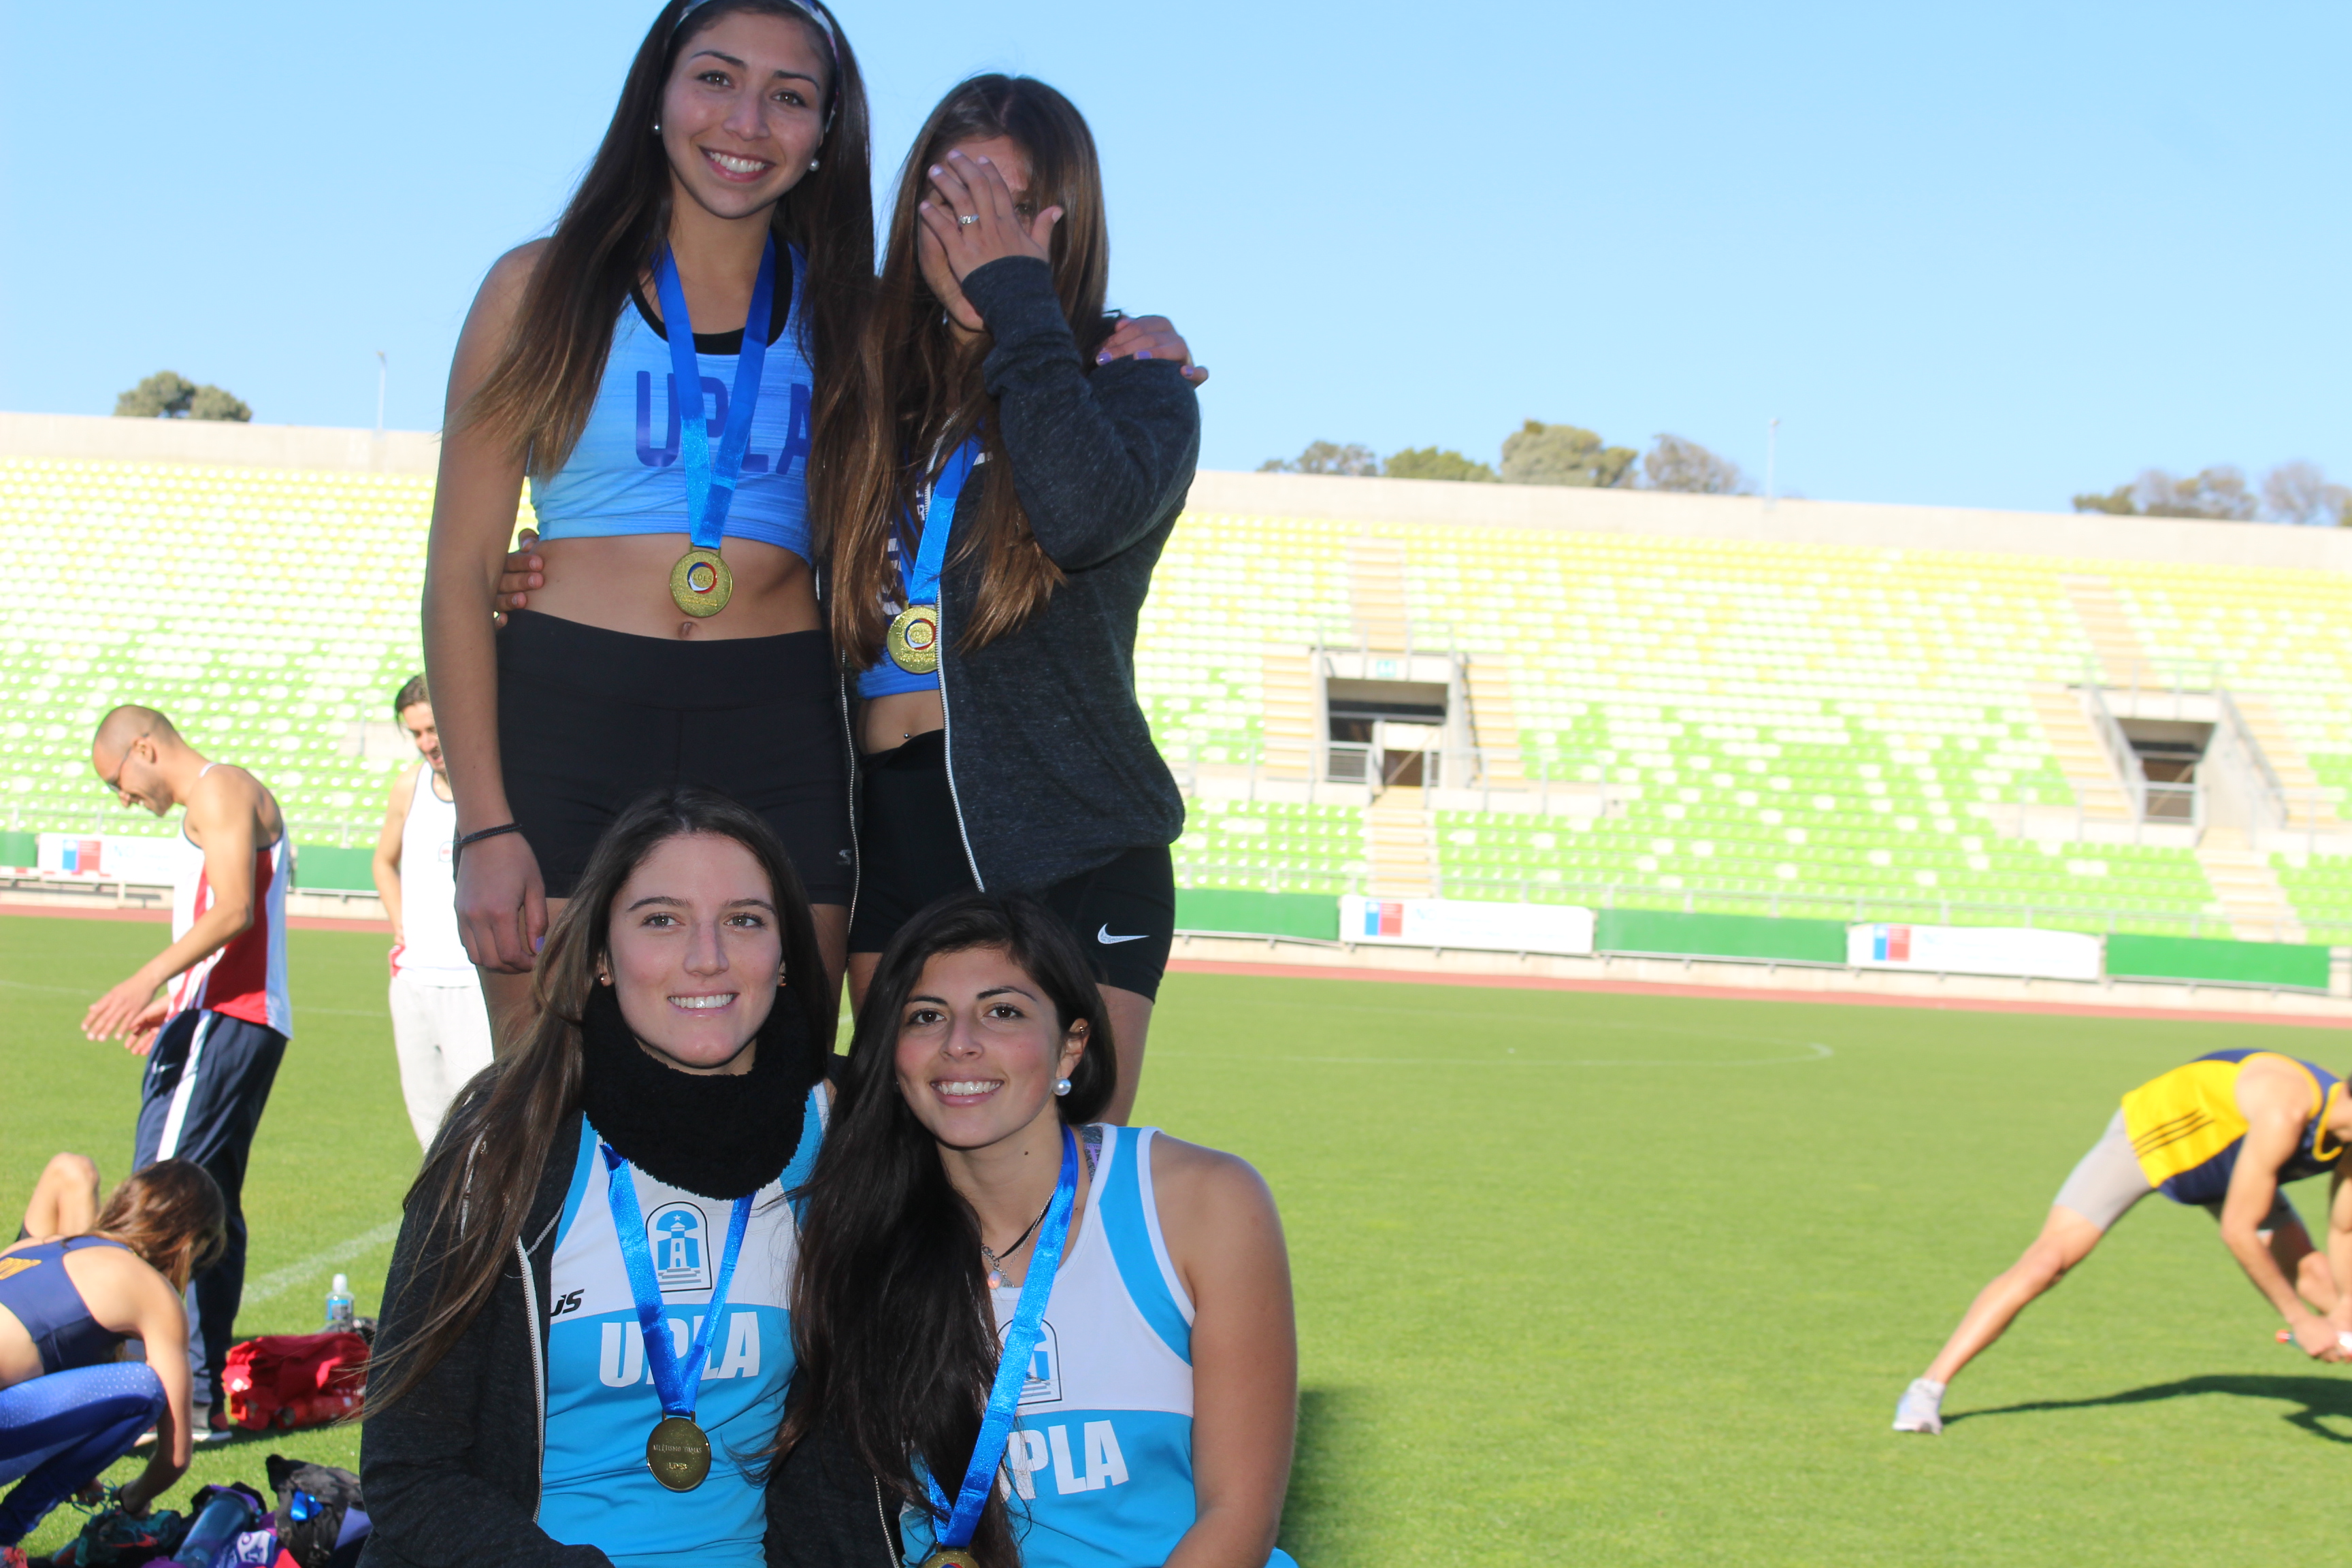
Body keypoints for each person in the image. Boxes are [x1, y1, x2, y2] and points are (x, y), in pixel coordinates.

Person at [497, 76, 1205, 1122]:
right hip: (889, 834)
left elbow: (1081, 514)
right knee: (909, 1168)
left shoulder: (1127, 384)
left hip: (1071, 832)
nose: (973, 233)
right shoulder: (859, 379)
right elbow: (739, 499)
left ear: (1068, 222)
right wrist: (554, 561)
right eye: (949, 201)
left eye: (1008, 208)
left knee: (1061, 1170)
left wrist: (1024, 302)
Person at [423, 0, 877, 1050]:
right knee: (548, 1087)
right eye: (716, 78)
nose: (746, 121)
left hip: (776, 720)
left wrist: (1125, 342)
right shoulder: (537, 290)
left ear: (824, 135)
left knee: (779, 1080)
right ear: (658, 96)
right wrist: (485, 825)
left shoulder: (858, 314)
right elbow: (457, 577)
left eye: (789, 97)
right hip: (569, 710)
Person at [361, 787, 864, 1568]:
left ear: (786, 955)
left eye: (744, 920)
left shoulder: (843, 1132)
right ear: (601, 955)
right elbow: (409, 1472)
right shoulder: (507, 1140)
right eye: (662, 920)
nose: (707, 956)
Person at [778, 894, 1296, 1568]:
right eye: (926, 1016)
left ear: (1070, 1048)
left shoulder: (1200, 1202)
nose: (960, 1043)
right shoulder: (860, 1230)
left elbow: (1239, 1517)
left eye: (1003, 1012)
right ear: (894, 1057)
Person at [1894, 1047, 2352, 1435]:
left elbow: (2344, 1229)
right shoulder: (2285, 1111)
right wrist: (2299, 1320)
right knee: (2046, 1264)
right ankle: (1927, 1389)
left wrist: (2344, 1313)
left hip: (2231, 1164)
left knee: (2318, 1276)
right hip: (2149, 1141)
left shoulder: (2343, 1134)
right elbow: (2238, 1230)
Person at [82, 705, 289, 1441]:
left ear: (144, 748)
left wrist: (147, 979)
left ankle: (156, 1390)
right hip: (226, 1017)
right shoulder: (217, 797)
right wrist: (172, 1001)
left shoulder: (220, 788)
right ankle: (199, 1395)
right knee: (210, 1207)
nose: (124, 799)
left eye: (118, 781)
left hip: (227, 1018)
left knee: (161, 1199)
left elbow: (233, 909)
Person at [0, 1160, 227, 1552]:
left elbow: (42, 1369)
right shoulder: (151, 1289)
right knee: (142, 1387)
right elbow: (175, 1456)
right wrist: (132, 1498)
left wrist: (80, 1466)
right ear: (191, 1243)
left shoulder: (36, 1245)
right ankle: (4, 1535)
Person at [370, 675, 497, 1142]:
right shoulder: (410, 786)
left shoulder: (491, 787)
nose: (427, 743)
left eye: (432, 729)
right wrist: (400, 925)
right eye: (417, 733)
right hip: (414, 982)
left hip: (472, 981)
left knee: (480, 1125)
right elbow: (383, 862)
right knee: (428, 1126)